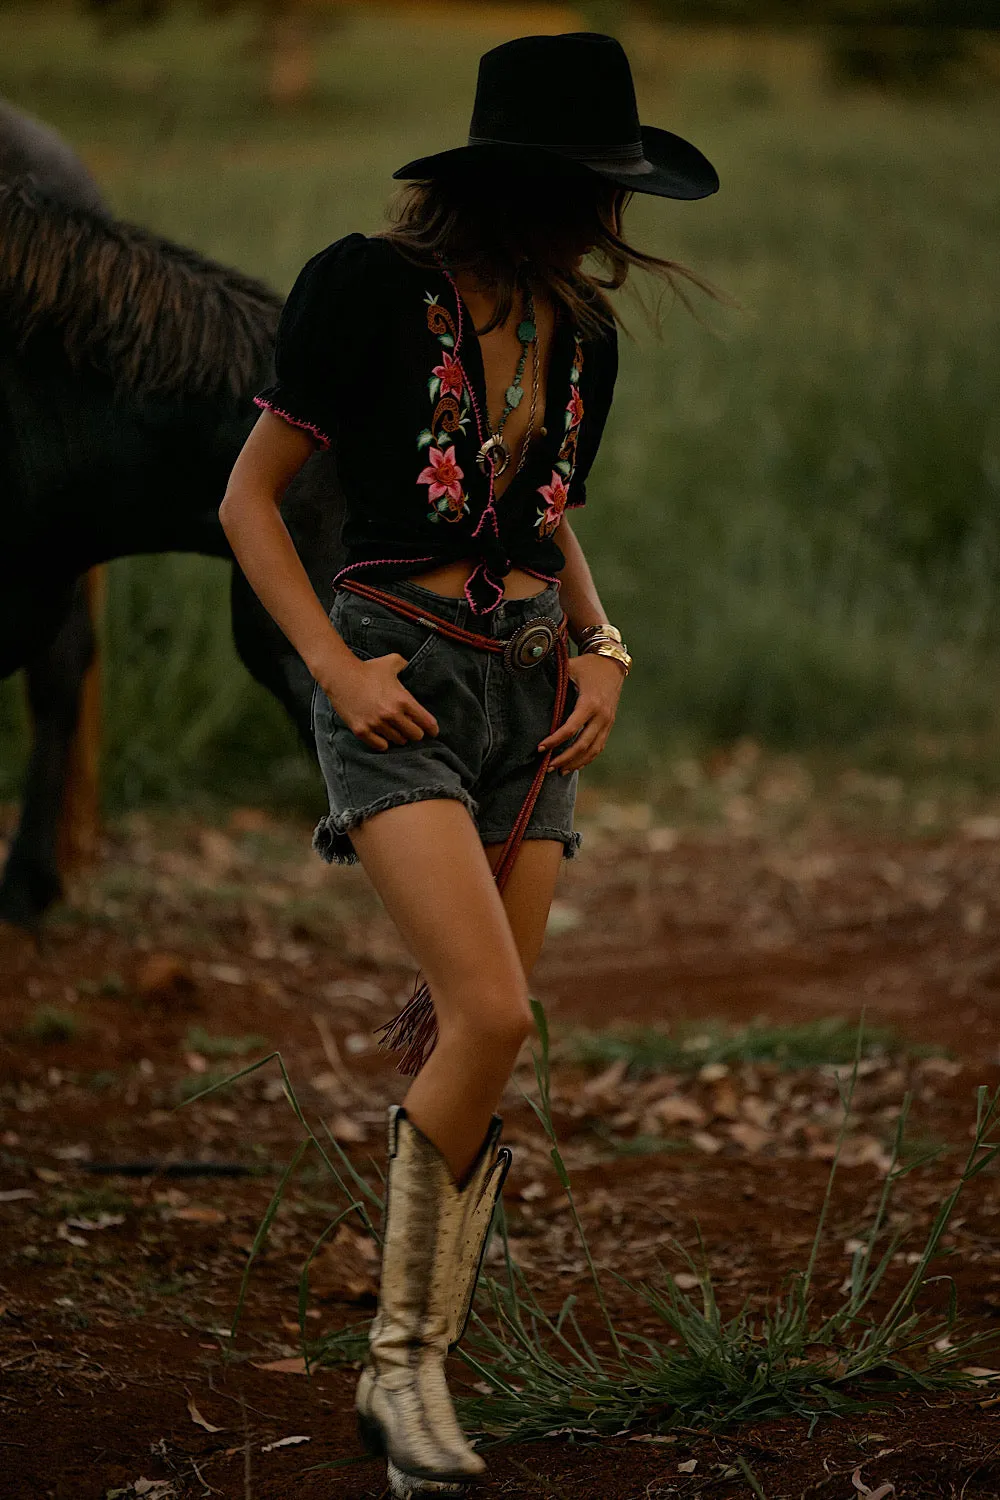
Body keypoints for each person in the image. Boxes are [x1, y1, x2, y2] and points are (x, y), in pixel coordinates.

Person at [220, 31, 718, 1499]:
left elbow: (542, 511)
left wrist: (607, 645)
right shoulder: (365, 292)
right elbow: (250, 504)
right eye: (589, 189)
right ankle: (401, 1371)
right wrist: (333, 668)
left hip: (533, 697)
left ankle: (419, 1380)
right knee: (488, 1012)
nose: (606, 222)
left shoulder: (586, 338)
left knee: (480, 1036)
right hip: (401, 679)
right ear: (520, 182)